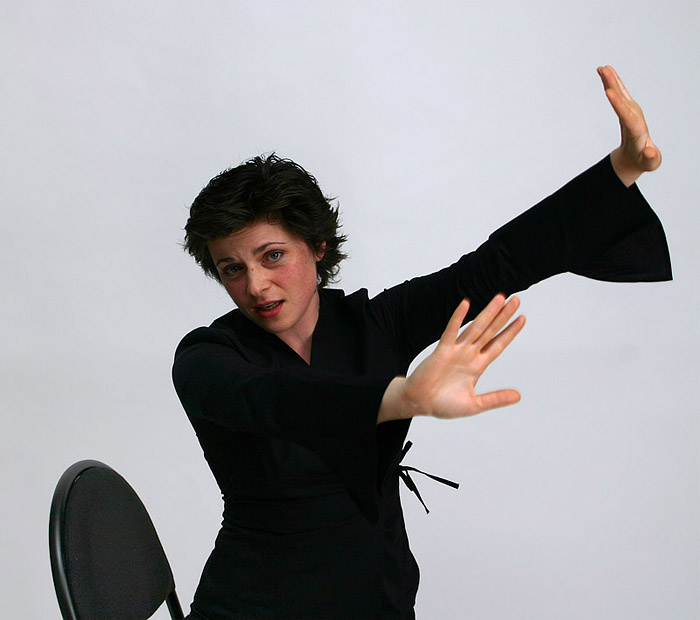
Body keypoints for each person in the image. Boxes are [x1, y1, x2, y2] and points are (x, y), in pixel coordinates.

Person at [172, 66, 671, 619]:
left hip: (378, 597)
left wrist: (621, 170)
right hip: (256, 605)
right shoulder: (205, 358)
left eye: (273, 256)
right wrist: (400, 398)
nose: (257, 285)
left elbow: (495, 265)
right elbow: (274, 399)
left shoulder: (378, 323)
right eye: (232, 268)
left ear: (316, 246)